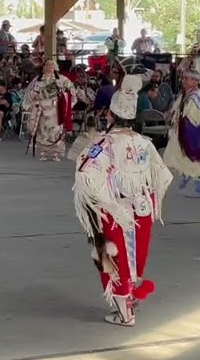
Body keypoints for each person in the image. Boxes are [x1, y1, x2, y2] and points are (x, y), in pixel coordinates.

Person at [72, 74, 173, 327]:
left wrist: (103, 199)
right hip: (141, 210)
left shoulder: (104, 144)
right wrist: (145, 194)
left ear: (110, 115)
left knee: (110, 258)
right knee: (132, 257)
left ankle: (125, 314)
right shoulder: (144, 142)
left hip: (115, 211)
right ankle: (129, 299)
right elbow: (163, 175)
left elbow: (85, 173)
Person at [163, 66, 200, 198]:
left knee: (194, 158)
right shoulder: (185, 93)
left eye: (186, 78)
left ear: (195, 81)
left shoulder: (197, 96)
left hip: (193, 131)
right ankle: (186, 177)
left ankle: (199, 188)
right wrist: (172, 114)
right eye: (183, 78)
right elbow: (177, 108)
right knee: (180, 155)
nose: (183, 80)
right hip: (181, 130)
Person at [23, 60, 75, 161]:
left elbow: (71, 90)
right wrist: (37, 96)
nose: (49, 67)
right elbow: (30, 93)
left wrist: (64, 94)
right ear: (44, 67)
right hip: (42, 110)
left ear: (55, 67)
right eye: (47, 65)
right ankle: (43, 152)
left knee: (56, 132)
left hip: (56, 110)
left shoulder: (62, 79)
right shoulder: (37, 80)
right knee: (42, 132)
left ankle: (56, 152)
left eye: (52, 65)